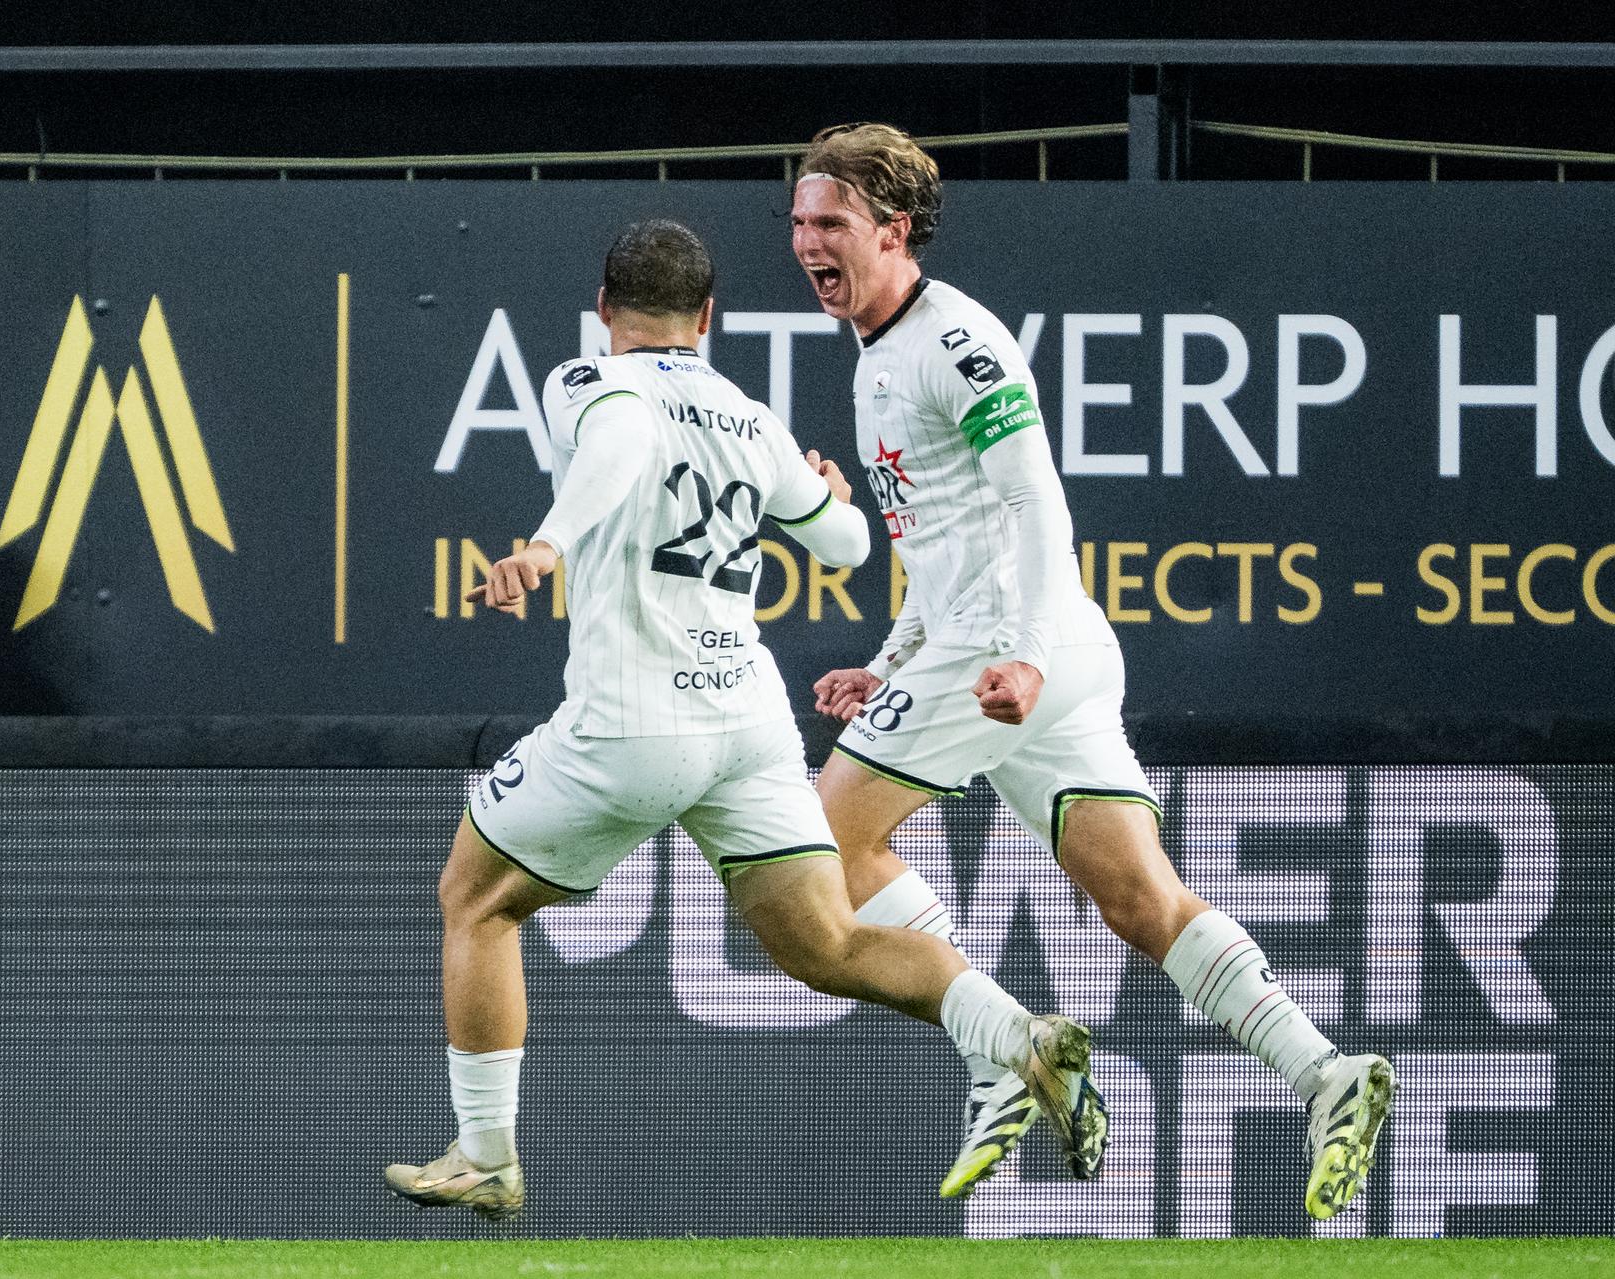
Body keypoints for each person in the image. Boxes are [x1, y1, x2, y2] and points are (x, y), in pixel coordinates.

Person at [383, 219, 1106, 1220]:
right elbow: (850, 543)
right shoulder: (749, 415)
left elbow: (624, 443)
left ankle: (486, 1152)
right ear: (709, 318)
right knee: (830, 945)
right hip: (749, 725)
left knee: (474, 898)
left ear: (604, 312)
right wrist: (833, 495)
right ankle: (1017, 1034)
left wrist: (546, 546)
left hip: (632, 721)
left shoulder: (590, 383)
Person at [789, 122, 1394, 1220]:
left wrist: (1014, 653)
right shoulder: (879, 355)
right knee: (1137, 897)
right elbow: (947, 542)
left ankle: (1005, 1050)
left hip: (1011, 650)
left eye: (829, 223)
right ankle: (1326, 1074)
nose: (805, 242)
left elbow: (1034, 500)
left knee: (826, 844)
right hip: (1028, 647)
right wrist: (886, 663)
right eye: (796, 222)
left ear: (894, 229)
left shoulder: (954, 339)